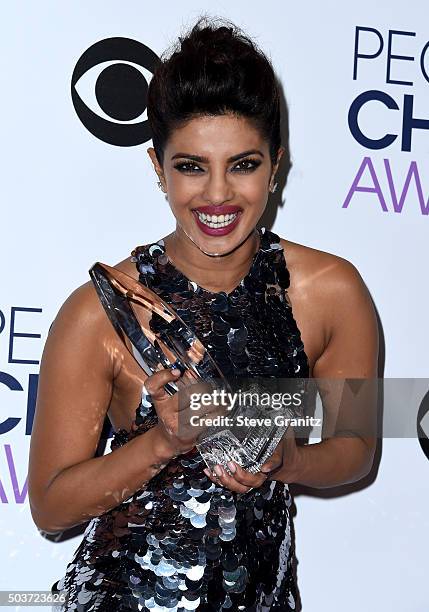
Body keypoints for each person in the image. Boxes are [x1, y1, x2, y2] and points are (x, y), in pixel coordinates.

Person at [28, 15, 379, 612]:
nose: (217, 195)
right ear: (157, 167)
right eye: (191, 166)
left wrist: (289, 461)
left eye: (243, 164)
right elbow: (50, 507)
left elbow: (357, 448)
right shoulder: (102, 310)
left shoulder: (330, 291)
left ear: (277, 164)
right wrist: (161, 443)